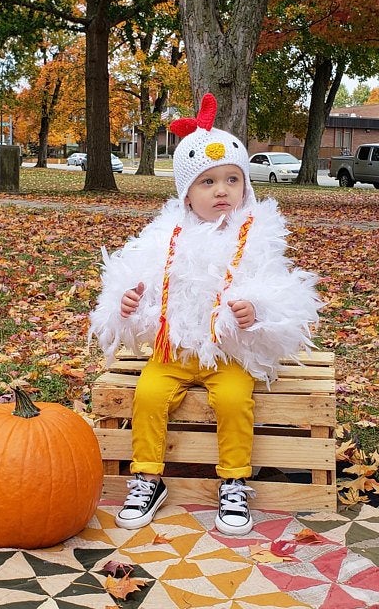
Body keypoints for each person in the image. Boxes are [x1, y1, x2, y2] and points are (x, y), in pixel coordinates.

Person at [89, 93, 321, 536]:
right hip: (172, 350)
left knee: (235, 401)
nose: (221, 190)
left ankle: (234, 481)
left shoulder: (257, 237)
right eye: (208, 182)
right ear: (186, 193)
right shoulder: (164, 236)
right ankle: (147, 477)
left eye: (232, 180)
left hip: (228, 354)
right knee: (149, 397)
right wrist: (126, 304)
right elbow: (133, 279)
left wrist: (258, 310)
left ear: (245, 187)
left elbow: (282, 289)